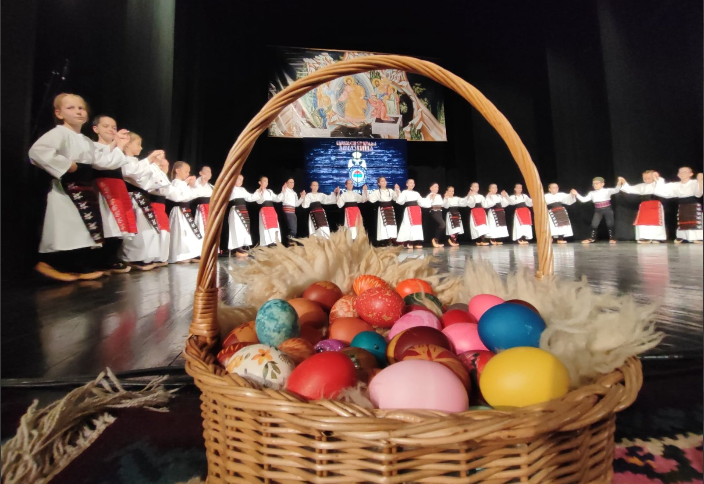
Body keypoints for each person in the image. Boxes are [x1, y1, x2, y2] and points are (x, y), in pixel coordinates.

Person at [29, 93, 130, 282]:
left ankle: (75, 265)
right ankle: (49, 264)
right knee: (66, 227)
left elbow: (102, 161)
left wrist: (120, 146)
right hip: (66, 189)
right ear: (59, 113)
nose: (78, 111)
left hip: (84, 189)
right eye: (71, 108)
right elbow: (37, 152)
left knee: (81, 228)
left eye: (81, 108)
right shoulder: (59, 133)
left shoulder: (84, 140)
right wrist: (68, 165)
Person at [119, 135, 171, 270]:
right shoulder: (124, 160)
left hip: (142, 198)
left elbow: (156, 183)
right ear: (127, 144)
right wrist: (150, 160)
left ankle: (146, 257)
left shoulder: (139, 163)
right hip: (132, 197)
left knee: (149, 230)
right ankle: (134, 258)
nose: (141, 147)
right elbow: (136, 176)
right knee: (138, 230)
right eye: (138, 144)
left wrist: (159, 168)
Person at [91, 114, 134, 273]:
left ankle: (112, 257)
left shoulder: (117, 149)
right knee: (107, 222)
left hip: (117, 187)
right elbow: (104, 163)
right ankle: (102, 259)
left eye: (114, 127)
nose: (111, 129)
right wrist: (119, 146)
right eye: (106, 126)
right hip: (102, 187)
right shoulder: (93, 146)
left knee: (119, 224)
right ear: (95, 129)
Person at [167, 161, 205, 263]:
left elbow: (192, 195)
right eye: (186, 171)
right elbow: (179, 196)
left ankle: (191, 253)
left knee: (189, 232)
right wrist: (186, 184)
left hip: (186, 211)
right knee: (180, 232)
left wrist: (192, 186)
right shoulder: (175, 183)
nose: (188, 174)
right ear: (177, 170)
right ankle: (179, 255)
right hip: (178, 210)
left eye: (189, 172)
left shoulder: (184, 184)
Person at [654, 167, 704, 244]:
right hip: (682, 204)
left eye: (685, 172)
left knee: (694, 220)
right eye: (680, 172)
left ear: (691, 174)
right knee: (682, 220)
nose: (682, 174)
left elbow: (699, 193)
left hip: (693, 204)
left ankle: (696, 237)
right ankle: (683, 236)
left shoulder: (694, 183)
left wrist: (700, 180)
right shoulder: (676, 185)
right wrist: (658, 178)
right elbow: (661, 190)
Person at [619, 171, 667, 243]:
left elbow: (661, 183)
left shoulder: (658, 184)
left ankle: (657, 238)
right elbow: (630, 189)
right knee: (643, 222)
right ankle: (644, 237)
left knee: (655, 221)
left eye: (649, 178)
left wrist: (657, 177)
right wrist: (624, 182)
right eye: (645, 179)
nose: (647, 180)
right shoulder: (642, 186)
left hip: (655, 205)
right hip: (644, 206)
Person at [573, 177, 624, 244]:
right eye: (594, 184)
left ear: (602, 184)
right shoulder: (592, 193)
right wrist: (576, 194)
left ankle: (612, 238)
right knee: (594, 224)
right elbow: (584, 200)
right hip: (598, 210)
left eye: (597, 183)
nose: (595, 185)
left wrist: (619, 183)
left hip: (607, 209)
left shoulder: (607, 190)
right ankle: (592, 238)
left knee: (610, 223)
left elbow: (616, 190)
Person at [395, 179, 431, 249]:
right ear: (407, 184)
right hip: (409, 210)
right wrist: (398, 191)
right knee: (409, 225)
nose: (412, 184)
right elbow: (401, 201)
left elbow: (421, 202)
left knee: (417, 226)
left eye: (413, 183)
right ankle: (410, 241)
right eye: (410, 183)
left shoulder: (416, 193)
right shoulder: (404, 192)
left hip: (416, 210)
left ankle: (417, 241)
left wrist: (429, 198)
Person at [227, 174, 255, 257]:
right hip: (236, 210)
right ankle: (237, 247)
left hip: (243, 210)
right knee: (237, 228)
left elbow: (250, 197)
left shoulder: (242, 189)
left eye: (242, 180)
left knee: (244, 228)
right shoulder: (230, 188)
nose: (240, 181)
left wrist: (259, 192)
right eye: (239, 179)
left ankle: (242, 246)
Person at [249, 176, 281, 247]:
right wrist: (261, 194)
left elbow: (277, 199)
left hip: (272, 210)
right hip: (264, 210)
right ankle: (268, 242)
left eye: (267, 181)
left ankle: (275, 241)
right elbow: (259, 202)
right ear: (260, 182)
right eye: (264, 181)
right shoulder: (258, 191)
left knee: (274, 225)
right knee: (266, 226)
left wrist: (283, 192)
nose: (266, 183)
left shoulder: (269, 191)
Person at [367, 176, 398, 246]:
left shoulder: (390, 191)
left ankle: (391, 239)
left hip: (390, 209)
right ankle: (384, 241)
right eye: (382, 181)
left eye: (385, 181)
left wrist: (397, 190)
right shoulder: (377, 192)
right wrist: (365, 191)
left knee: (391, 225)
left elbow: (396, 198)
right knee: (383, 226)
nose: (384, 182)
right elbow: (371, 199)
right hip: (382, 209)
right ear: (379, 183)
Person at [278, 178, 304, 245]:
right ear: (286, 183)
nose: (292, 184)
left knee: (294, 229)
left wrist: (302, 198)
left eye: (293, 182)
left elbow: (296, 204)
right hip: (288, 211)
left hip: (292, 212)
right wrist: (283, 191)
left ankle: (290, 242)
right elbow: (280, 199)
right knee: (292, 229)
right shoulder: (285, 191)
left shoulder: (294, 193)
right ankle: (290, 242)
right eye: (290, 182)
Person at [193, 166, 214, 245]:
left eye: (210, 172)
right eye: (207, 171)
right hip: (200, 209)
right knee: (201, 227)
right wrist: (202, 182)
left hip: (209, 208)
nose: (209, 173)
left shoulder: (210, 186)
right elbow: (197, 193)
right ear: (201, 173)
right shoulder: (195, 183)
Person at [426, 183, 446, 248]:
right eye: (435, 187)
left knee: (439, 226)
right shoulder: (429, 195)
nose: (437, 188)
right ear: (431, 188)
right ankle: (435, 239)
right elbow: (427, 204)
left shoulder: (439, 196)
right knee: (442, 224)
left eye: (437, 187)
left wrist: (445, 198)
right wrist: (431, 199)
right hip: (434, 211)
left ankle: (436, 241)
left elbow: (442, 204)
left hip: (439, 211)